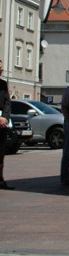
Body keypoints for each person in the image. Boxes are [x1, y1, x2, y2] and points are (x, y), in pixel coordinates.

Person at [0, 60, 14, 190]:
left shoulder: (3, 84)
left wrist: (4, 117)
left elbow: (7, 103)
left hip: (1, 125)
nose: (1, 69)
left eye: (1, 67)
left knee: (1, 154)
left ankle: (0, 180)